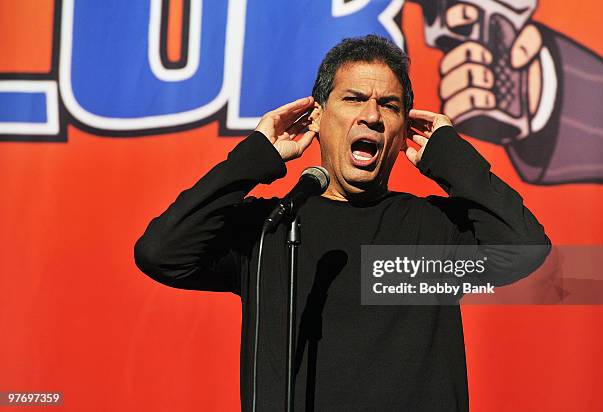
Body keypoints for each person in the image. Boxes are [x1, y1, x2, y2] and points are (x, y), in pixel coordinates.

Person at [134, 35, 550, 411]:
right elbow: (162, 253)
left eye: (389, 105)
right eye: (353, 98)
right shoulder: (271, 228)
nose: (372, 115)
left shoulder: (435, 230)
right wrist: (255, 158)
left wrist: (450, 158)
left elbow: (526, 249)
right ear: (316, 117)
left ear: (404, 128)